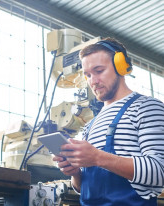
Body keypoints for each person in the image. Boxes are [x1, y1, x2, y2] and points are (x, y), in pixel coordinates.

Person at [53, 37, 164, 206]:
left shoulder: (147, 107)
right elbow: (84, 189)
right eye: (88, 75)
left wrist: (98, 157)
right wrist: (75, 173)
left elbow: (159, 172)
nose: (93, 81)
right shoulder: (90, 125)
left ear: (121, 67)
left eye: (99, 71)